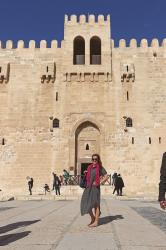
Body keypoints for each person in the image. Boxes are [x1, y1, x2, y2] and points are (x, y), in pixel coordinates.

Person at [80, 154, 108, 227]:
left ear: (98, 160)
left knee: (96, 204)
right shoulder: (89, 167)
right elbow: (89, 176)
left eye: (96, 159)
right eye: (93, 159)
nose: (94, 160)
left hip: (95, 188)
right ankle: (93, 217)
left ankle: (96, 221)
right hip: (88, 187)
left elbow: (106, 176)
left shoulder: (100, 168)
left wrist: (99, 182)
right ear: (91, 160)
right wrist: (86, 173)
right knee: (85, 203)